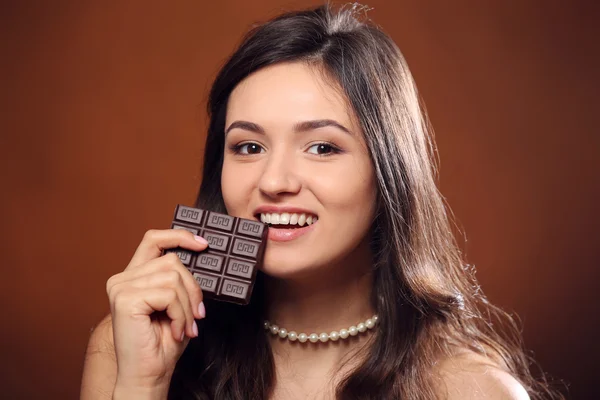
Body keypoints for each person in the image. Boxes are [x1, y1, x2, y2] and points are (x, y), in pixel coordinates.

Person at [81, 4, 561, 399]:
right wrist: (143, 385)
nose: (274, 181)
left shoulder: (470, 391)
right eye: (249, 147)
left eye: (322, 147)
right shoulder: (129, 347)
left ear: (389, 171)